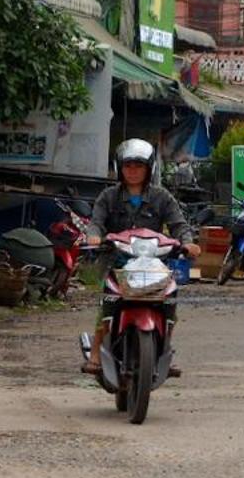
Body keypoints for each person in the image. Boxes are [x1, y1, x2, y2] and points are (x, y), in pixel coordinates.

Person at [82, 139, 195, 376]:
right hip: (118, 263)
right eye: (128, 166)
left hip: (154, 265)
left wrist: (188, 242)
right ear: (120, 168)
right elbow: (96, 223)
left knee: (170, 301)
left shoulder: (162, 197)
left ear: (149, 168)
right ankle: (95, 352)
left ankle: (165, 350)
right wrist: (93, 236)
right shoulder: (108, 196)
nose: (133, 171)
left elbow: (179, 224)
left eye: (139, 166)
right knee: (108, 303)